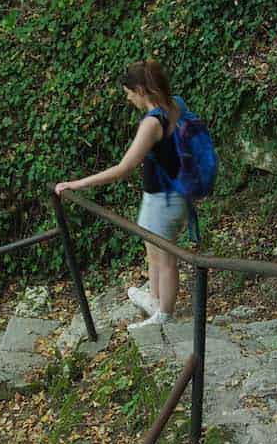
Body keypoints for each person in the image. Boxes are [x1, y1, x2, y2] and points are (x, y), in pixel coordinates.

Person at [55, 60, 189, 329]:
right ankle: (155, 300)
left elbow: (123, 168)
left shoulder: (152, 123)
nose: (128, 99)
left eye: (129, 93)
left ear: (141, 89)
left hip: (163, 200)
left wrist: (78, 184)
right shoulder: (176, 105)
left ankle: (164, 315)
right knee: (154, 253)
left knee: (165, 260)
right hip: (170, 194)